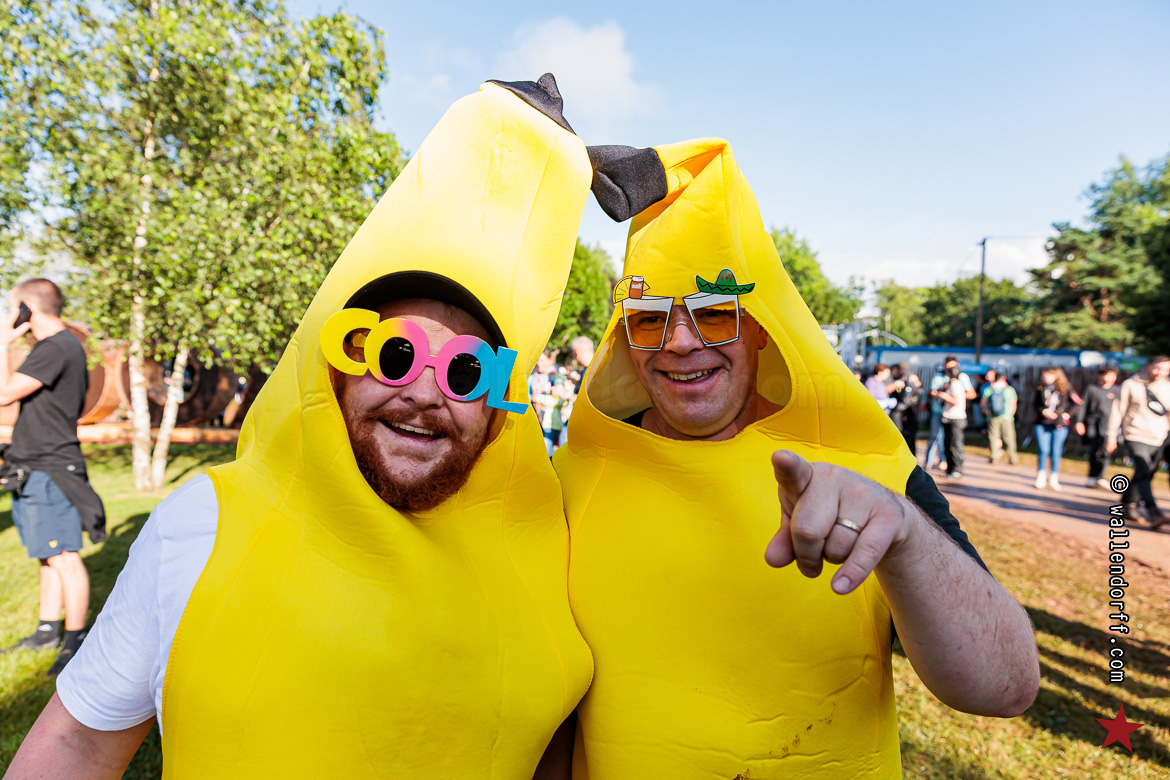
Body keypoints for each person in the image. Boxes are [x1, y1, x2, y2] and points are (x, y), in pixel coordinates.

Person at [9, 75, 595, 778]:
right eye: (395, 354)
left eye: (466, 372)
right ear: (338, 363)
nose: (424, 393)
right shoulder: (207, 524)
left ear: (499, 399)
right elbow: (78, 743)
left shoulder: (546, 546)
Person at [553, 139, 1038, 778]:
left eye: (713, 315)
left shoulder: (865, 472)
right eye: (649, 320)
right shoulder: (571, 477)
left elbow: (1005, 688)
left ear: (761, 326)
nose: (679, 343)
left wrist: (905, 534)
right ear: (626, 337)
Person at [0, 279, 104, 679]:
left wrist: (4, 344)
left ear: (26, 308)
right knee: (48, 555)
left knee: (64, 558)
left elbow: (4, 394)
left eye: (12, 307)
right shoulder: (56, 347)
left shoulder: (57, 347)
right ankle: (47, 631)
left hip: (51, 469)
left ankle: (75, 641)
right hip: (35, 465)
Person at [1106, 355, 1170, 526]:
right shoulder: (1131, 384)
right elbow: (1117, 411)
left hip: (1159, 437)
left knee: (1147, 472)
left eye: (1166, 369)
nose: (1161, 372)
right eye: (1158, 368)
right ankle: (1153, 511)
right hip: (1135, 434)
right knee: (1143, 468)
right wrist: (1111, 436)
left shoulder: (1167, 387)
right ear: (1149, 366)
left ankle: (1127, 504)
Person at [1074, 365, 1120, 488]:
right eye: (1107, 375)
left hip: (1108, 424)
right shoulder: (1091, 389)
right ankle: (1091, 476)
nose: (1110, 378)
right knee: (1094, 450)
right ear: (1100, 375)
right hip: (1092, 423)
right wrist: (1079, 422)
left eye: (1113, 376)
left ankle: (1101, 477)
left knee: (1105, 450)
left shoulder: (1117, 391)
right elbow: (1082, 406)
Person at [1032, 366, 1076, 490]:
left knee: (1056, 450)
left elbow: (1077, 402)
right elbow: (1035, 405)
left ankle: (1053, 478)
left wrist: (1067, 414)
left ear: (1056, 376)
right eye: (1043, 375)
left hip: (1058, 424)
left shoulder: (1066, 389)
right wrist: (1043, 411)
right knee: (1043, 449)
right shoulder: (1041, 389)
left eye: (1047, 375)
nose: (1044, 377)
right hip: (1042, 423)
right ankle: (1041, 476)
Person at [931, 356, 975, 480]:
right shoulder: (951, 383)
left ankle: (956, 470)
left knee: (955, 445)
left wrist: (942, 395)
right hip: (948, 416)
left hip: (956, 418)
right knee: (948, 445)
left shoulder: (956, 384)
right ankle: (950, 470)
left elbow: (956, 400)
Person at [980, 369, 1019, 465]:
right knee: (1009, 437)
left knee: (993, 437)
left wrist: (986, 412)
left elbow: (983, 403)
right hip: (1007, 417)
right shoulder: (1009, 389)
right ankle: (1012, 457)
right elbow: (1013, 404)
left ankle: (994, 456)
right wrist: (1011, 415)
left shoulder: (989, 389)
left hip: (993, 417)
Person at [889, 362, 922, 455]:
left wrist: (916, 384)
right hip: (898, 413)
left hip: (908, 412)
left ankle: (910, 456)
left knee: (909, 436)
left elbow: (915, 397)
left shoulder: (911, 380)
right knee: (898, 435)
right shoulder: (895, 380)